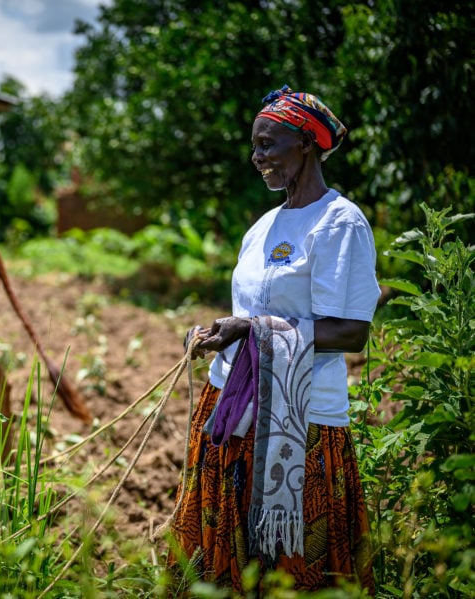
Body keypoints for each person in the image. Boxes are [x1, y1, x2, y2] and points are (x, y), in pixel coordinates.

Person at [167, 86, 379, 593]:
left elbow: (352, 331)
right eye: (255, 146)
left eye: (268, 144)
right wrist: (221, 330)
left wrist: (254, 331)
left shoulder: (339, 223)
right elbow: (252, 311)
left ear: (306, 143)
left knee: (291, 562)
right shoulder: (262, 227)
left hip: (299, 417)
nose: (257, 157)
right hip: (234, 405)